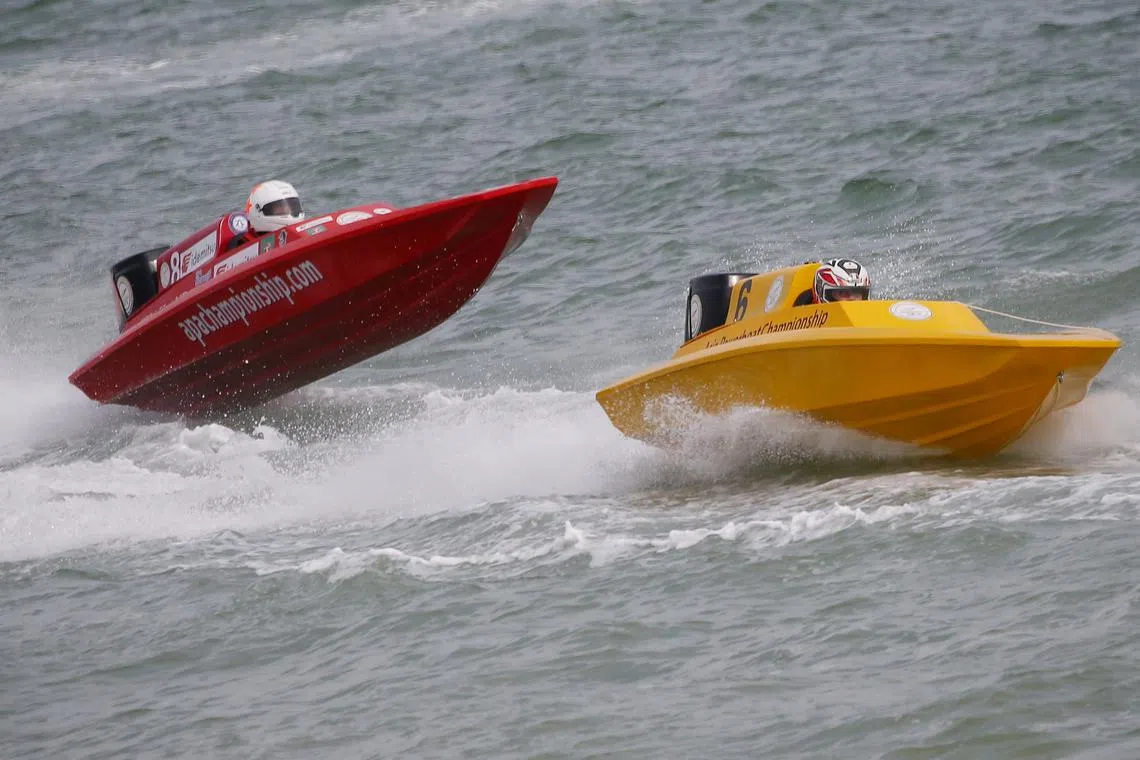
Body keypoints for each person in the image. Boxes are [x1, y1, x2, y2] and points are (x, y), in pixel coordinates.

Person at [792, 258, 872, 306]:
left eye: (856, 292)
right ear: (821, 291)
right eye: (842, 292)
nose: (851, 298)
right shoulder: (799, 318)